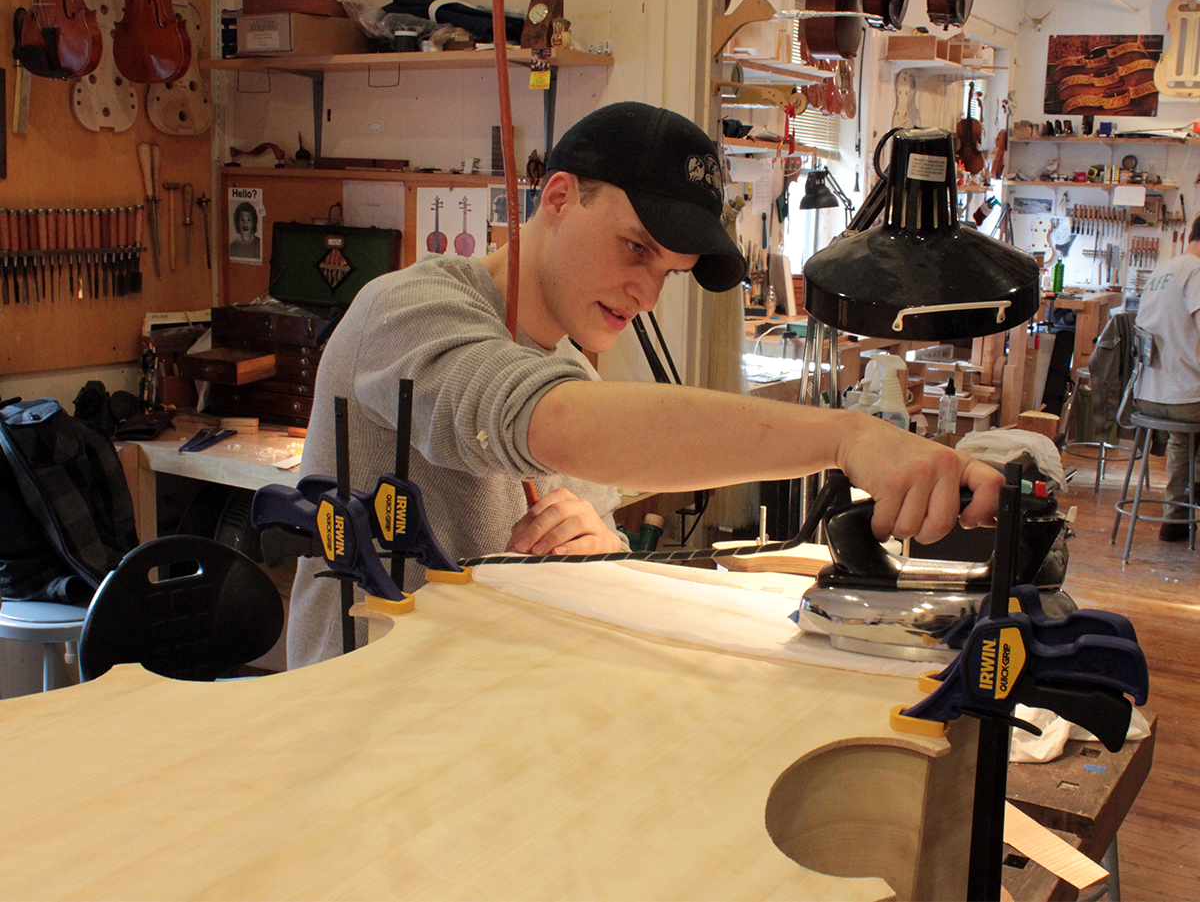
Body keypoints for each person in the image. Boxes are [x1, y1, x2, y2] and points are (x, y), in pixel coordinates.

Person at [287, 101, 1003, 668]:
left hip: (480, 706)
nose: (646, 294)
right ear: (559, 196)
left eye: (667, 272)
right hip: (359, 720)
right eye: (636, 249)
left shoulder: (575, 363)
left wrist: (601, 550)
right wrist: (845, 437)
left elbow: (576, 511)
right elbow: (552, 422)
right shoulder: (407, 311)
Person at [1133, 214, 1200, 541]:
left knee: (1183, 437)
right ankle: (1189, 499)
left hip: (1148, 394)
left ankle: (1176, 515)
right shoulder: (1197, 272)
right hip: (1183, 398)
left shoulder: (1163, 269)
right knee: (1190, 425)